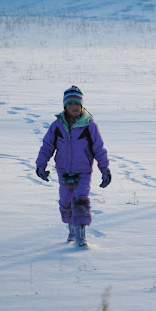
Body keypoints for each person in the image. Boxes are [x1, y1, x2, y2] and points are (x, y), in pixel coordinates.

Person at [36, 86, 111, 247]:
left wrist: (105, 170)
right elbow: (47, 146)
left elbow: (99, 149)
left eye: (77, 104)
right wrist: (41, 165)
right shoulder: (57, 126)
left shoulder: (89, 126)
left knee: (80, 200)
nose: (74, 107)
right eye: (70, 104)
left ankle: (81, 236)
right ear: (65, 106)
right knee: (66, 200)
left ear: (82, 105)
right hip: (64, 171)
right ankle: (72, 229)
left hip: (83, 171)